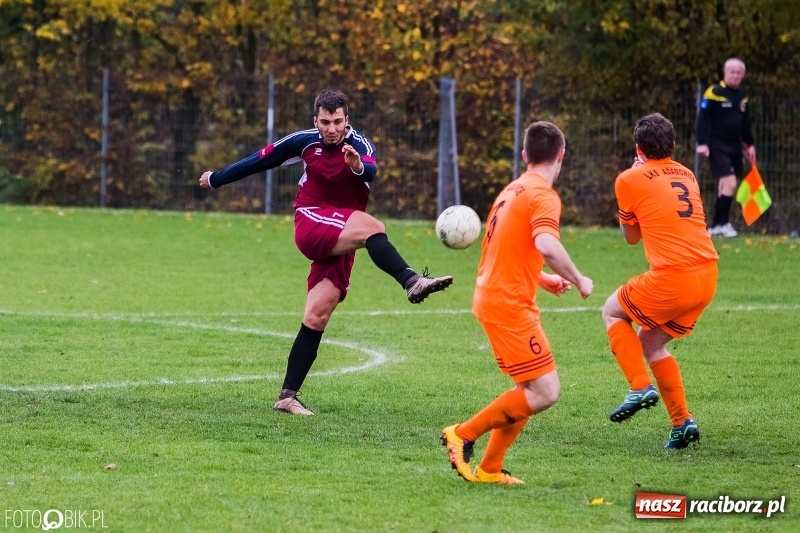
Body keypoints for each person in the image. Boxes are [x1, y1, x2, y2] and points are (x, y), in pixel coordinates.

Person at [199, 89, 453, 416]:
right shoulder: (304, 141)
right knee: (373, 227)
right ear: (315, 121)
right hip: (312, 221)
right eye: (325, 122)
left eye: (337, 122)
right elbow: (261, 160)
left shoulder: (360, 145)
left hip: (343, 233)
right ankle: (411, 281)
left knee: (317, 315)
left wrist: (359, 167)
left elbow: (371, 170)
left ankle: (287, 396)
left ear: (347, 121)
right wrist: (217, 179)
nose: (331, 128)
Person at [440, 121, 593, 484]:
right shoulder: (543, 195)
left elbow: (506, 248)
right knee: (545, 391)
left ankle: (490, 469)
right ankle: (462, 434)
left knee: (528, 389)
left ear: (524, 155)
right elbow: (546, 244)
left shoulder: (512, 190)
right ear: (561, 155)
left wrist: (542, 278)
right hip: (507, 305)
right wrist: (577, 277)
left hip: (496, 296)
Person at [603, 113, 719, 449]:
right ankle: (682, 423)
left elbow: (630, 237)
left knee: (612, 312)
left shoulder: (628, 178)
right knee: (650, 344)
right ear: (672, 145)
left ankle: (639, 387)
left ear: (638, 147)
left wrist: (635, 180)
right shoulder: (687, 173)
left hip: (673, 276)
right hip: (708, 275)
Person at [696, 57, 756, 238]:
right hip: (716, 144)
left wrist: (750, 144)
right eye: (732, 72)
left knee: (725, 185)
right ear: (725, 72)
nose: (735, 75)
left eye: (739, 73)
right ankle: (721, 224)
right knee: (730, 182)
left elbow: (746, 122)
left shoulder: (742, 95)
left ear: (743, 75)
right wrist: (702, 143)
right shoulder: (714, 91)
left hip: (734, 145)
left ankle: (718, 225)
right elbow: (703, 118)